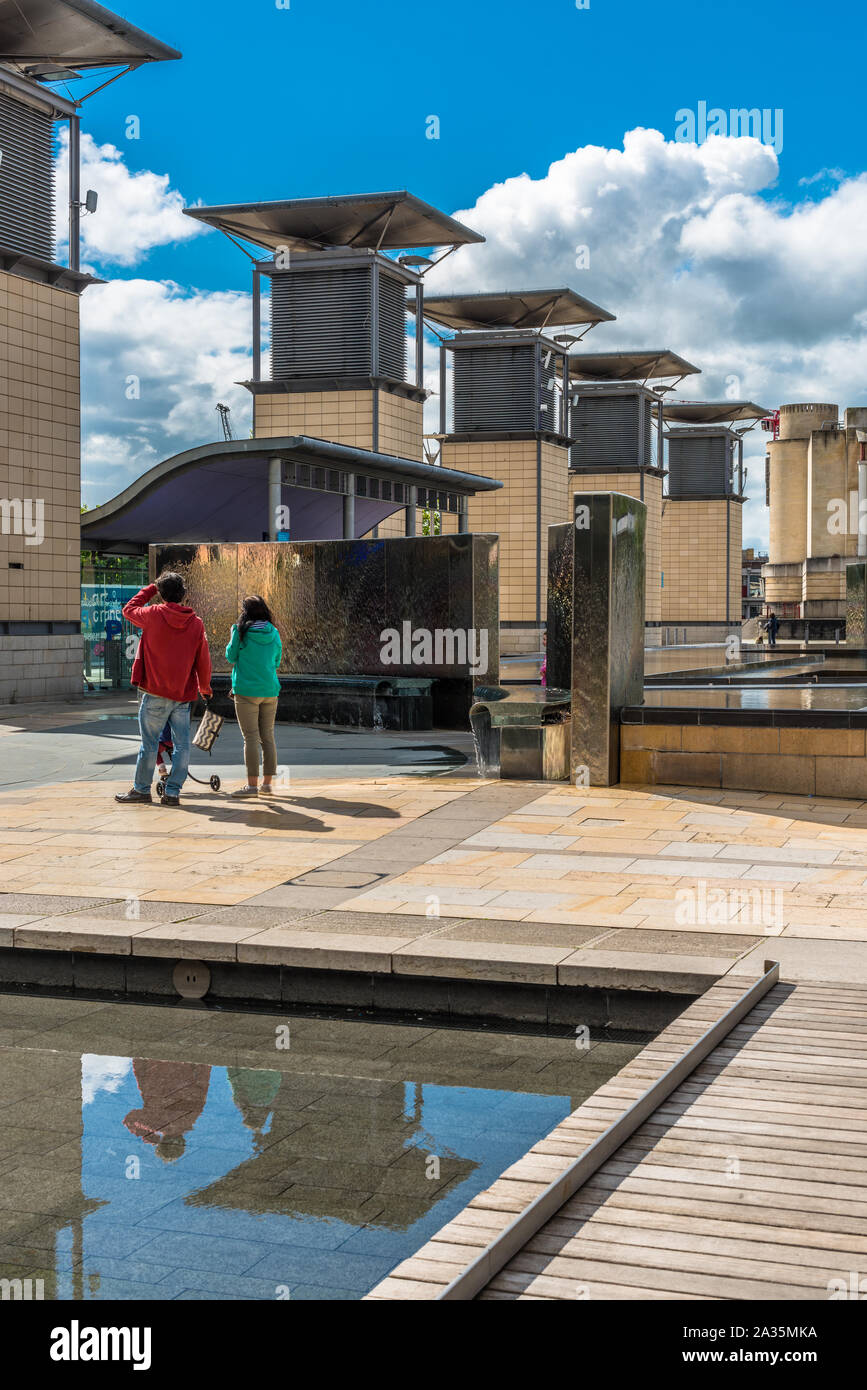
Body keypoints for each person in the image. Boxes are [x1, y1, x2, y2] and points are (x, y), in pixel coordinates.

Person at [116, 572, 212, 808]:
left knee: (149, 744)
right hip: (182, 695)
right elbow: (203, 660)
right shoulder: (196, 623)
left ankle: (141, 790)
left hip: (155, 692)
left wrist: (151, 589)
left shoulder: (152, 615)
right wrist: (204, 686)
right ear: (183, 594)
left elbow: (129, 609)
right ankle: (172, 793)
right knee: (182, 745)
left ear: (162, 593)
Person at [225, 596, 282, 797]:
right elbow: (277, 661)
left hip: (246, 691)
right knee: (268, 736)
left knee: (250, 737)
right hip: (269, 690)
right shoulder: (273, 632)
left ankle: (251, 787)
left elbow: (231, 657)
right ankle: (266, 785)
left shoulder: (240, 631)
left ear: (245, 612)